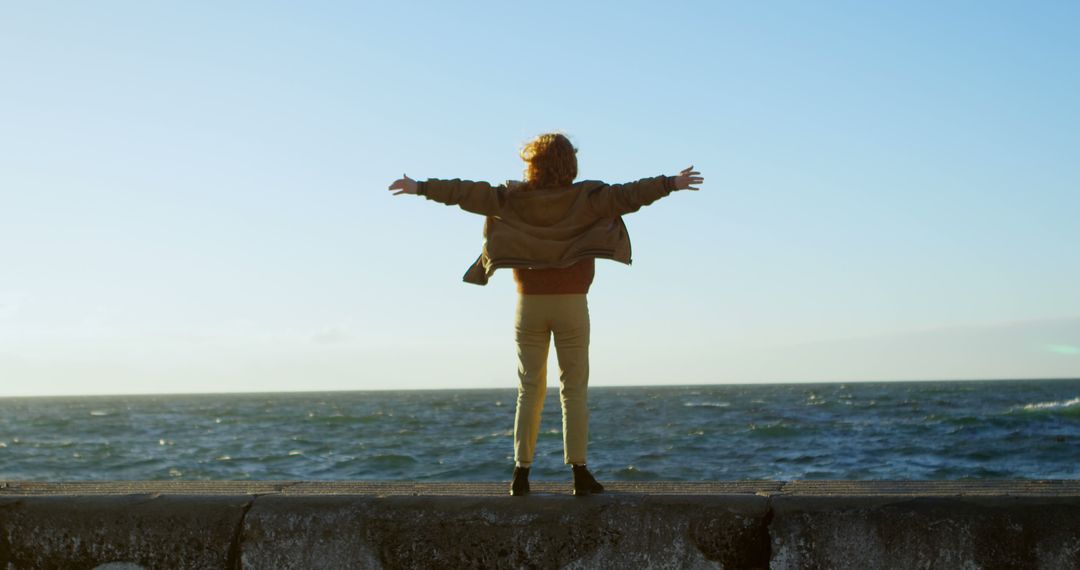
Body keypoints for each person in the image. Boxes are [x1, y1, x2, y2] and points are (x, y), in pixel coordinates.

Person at [388, 133, 702, 496]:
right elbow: (631, 195)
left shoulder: (513, 199)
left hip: (529, 305)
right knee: (574, 389)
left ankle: (521, 475)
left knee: (529, 389)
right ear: (571, 164)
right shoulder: (588, 198)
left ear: (532, 163)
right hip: (572, 304)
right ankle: (580, 474)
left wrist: (420, 187)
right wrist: (671, 184)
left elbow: (466, 193)